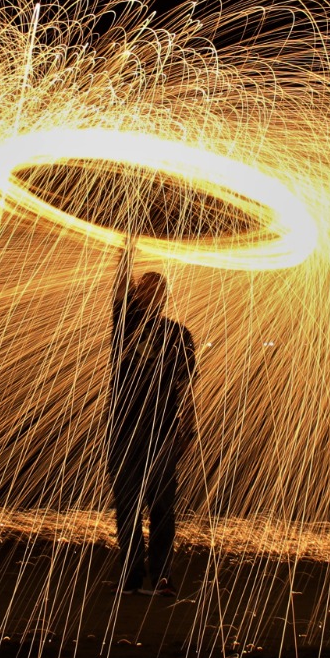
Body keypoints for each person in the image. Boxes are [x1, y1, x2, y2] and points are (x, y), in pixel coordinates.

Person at [106, 232, 197, 596]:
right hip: (123, 429)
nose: (145, 292)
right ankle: (131, 574)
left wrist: (187, 429)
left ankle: (160, 576)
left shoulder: (178, 335)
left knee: (161, 508)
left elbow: (185, 387)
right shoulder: (124, 322)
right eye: (142, 286)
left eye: (153, 288)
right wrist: (127, 244)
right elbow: (118, 281)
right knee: (127, 507)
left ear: (163, 297)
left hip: (162, 432)